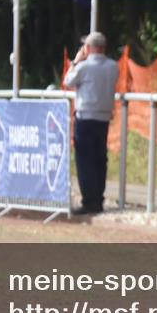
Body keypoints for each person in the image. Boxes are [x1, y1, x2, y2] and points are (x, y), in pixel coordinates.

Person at [63, 32, 120, 215]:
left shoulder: (84, 67)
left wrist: (76, 61)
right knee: (99, 159)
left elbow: (68, 81)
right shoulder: (113, 66)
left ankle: (89, 201)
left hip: (86, 117)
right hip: (103, 118)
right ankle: (99, 199)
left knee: (85, 161)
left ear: (87, 49)